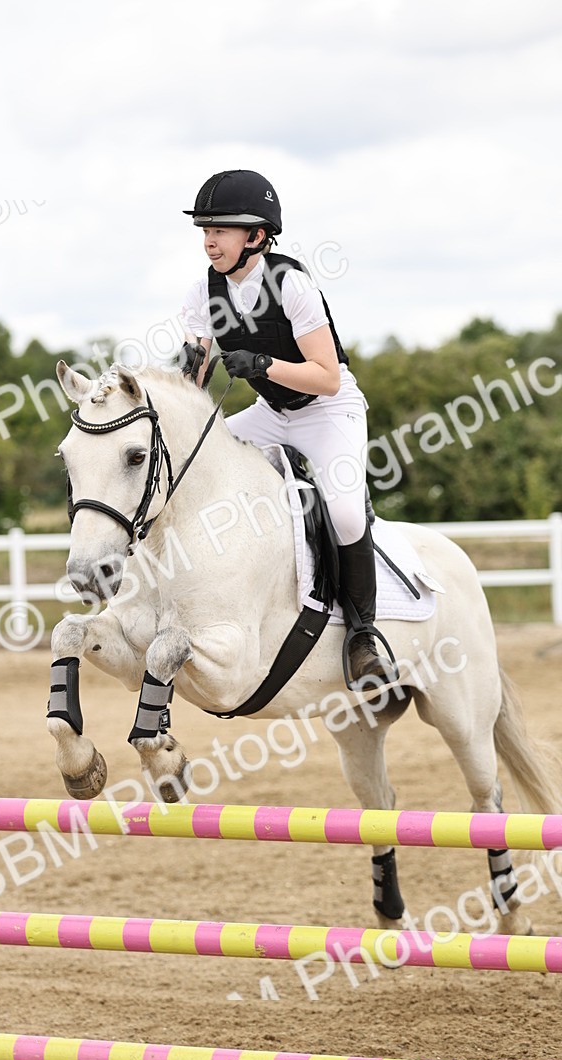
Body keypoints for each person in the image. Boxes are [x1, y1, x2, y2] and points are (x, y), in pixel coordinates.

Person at [178, 168, 397, 690]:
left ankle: (364, 636)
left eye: (222, 229)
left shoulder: (292, 282)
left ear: (256, 236)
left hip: (328, 411)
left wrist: (263, 365)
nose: (210, 241)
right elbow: (197, 371)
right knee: (196, 461)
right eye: (206, 229)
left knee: (344, 511)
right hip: (272, 414)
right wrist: (189, 368)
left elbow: (326, 377)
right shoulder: (201, 291)